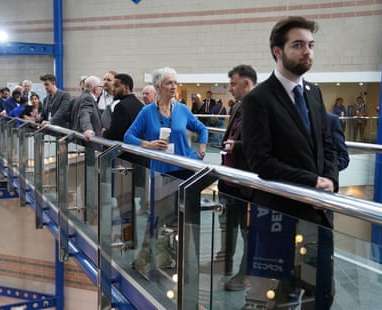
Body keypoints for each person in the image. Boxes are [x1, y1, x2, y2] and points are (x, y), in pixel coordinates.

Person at [241, 16, 338, 309]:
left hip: (318, 215)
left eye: (310, 45)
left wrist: (329, 180)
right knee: (279, 298)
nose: (307, 51)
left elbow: (328, 145)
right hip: (279, 215)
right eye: (298, 45)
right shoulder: (258, 99)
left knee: (320, 294)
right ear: (277, 51)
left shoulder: (314, 93)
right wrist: (311, 182)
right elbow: (261, 161)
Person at [124, 67, 208, 178]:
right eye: (169, 83)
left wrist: (202, 151)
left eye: (175, 83)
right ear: (158, 86)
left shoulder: (182, 109)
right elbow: (128, 137)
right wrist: (148, 145)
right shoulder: (147, 112)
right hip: (160, 170)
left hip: (185, 167)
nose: (174, 87)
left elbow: (202, 129)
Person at [216, 65, 257, 291]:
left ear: (247, 84)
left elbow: (264, 144)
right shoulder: (236, 109)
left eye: (233, 84)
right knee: (228, 227)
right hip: (229, 181)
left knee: (247, 231)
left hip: (247, 183)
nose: (230, 88)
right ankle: (224, 263)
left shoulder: (261, 108)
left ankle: (245, 272)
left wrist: (237, 146)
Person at [103, 73, 144, 142]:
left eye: (116, 86)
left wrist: (104, 132)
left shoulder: (121, 106)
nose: (113, 89)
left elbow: (114, 134)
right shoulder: (140, 104)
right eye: (113, 86)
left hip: (125, 149)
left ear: (126, 88)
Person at [70, 75, 103, 147]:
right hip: (89, 144)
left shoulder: (80, 97)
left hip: (80, 142)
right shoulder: (88, 98)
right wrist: (87, 129)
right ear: (96, 89)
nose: (101, 90)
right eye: (101, 87)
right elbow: (84, 113)